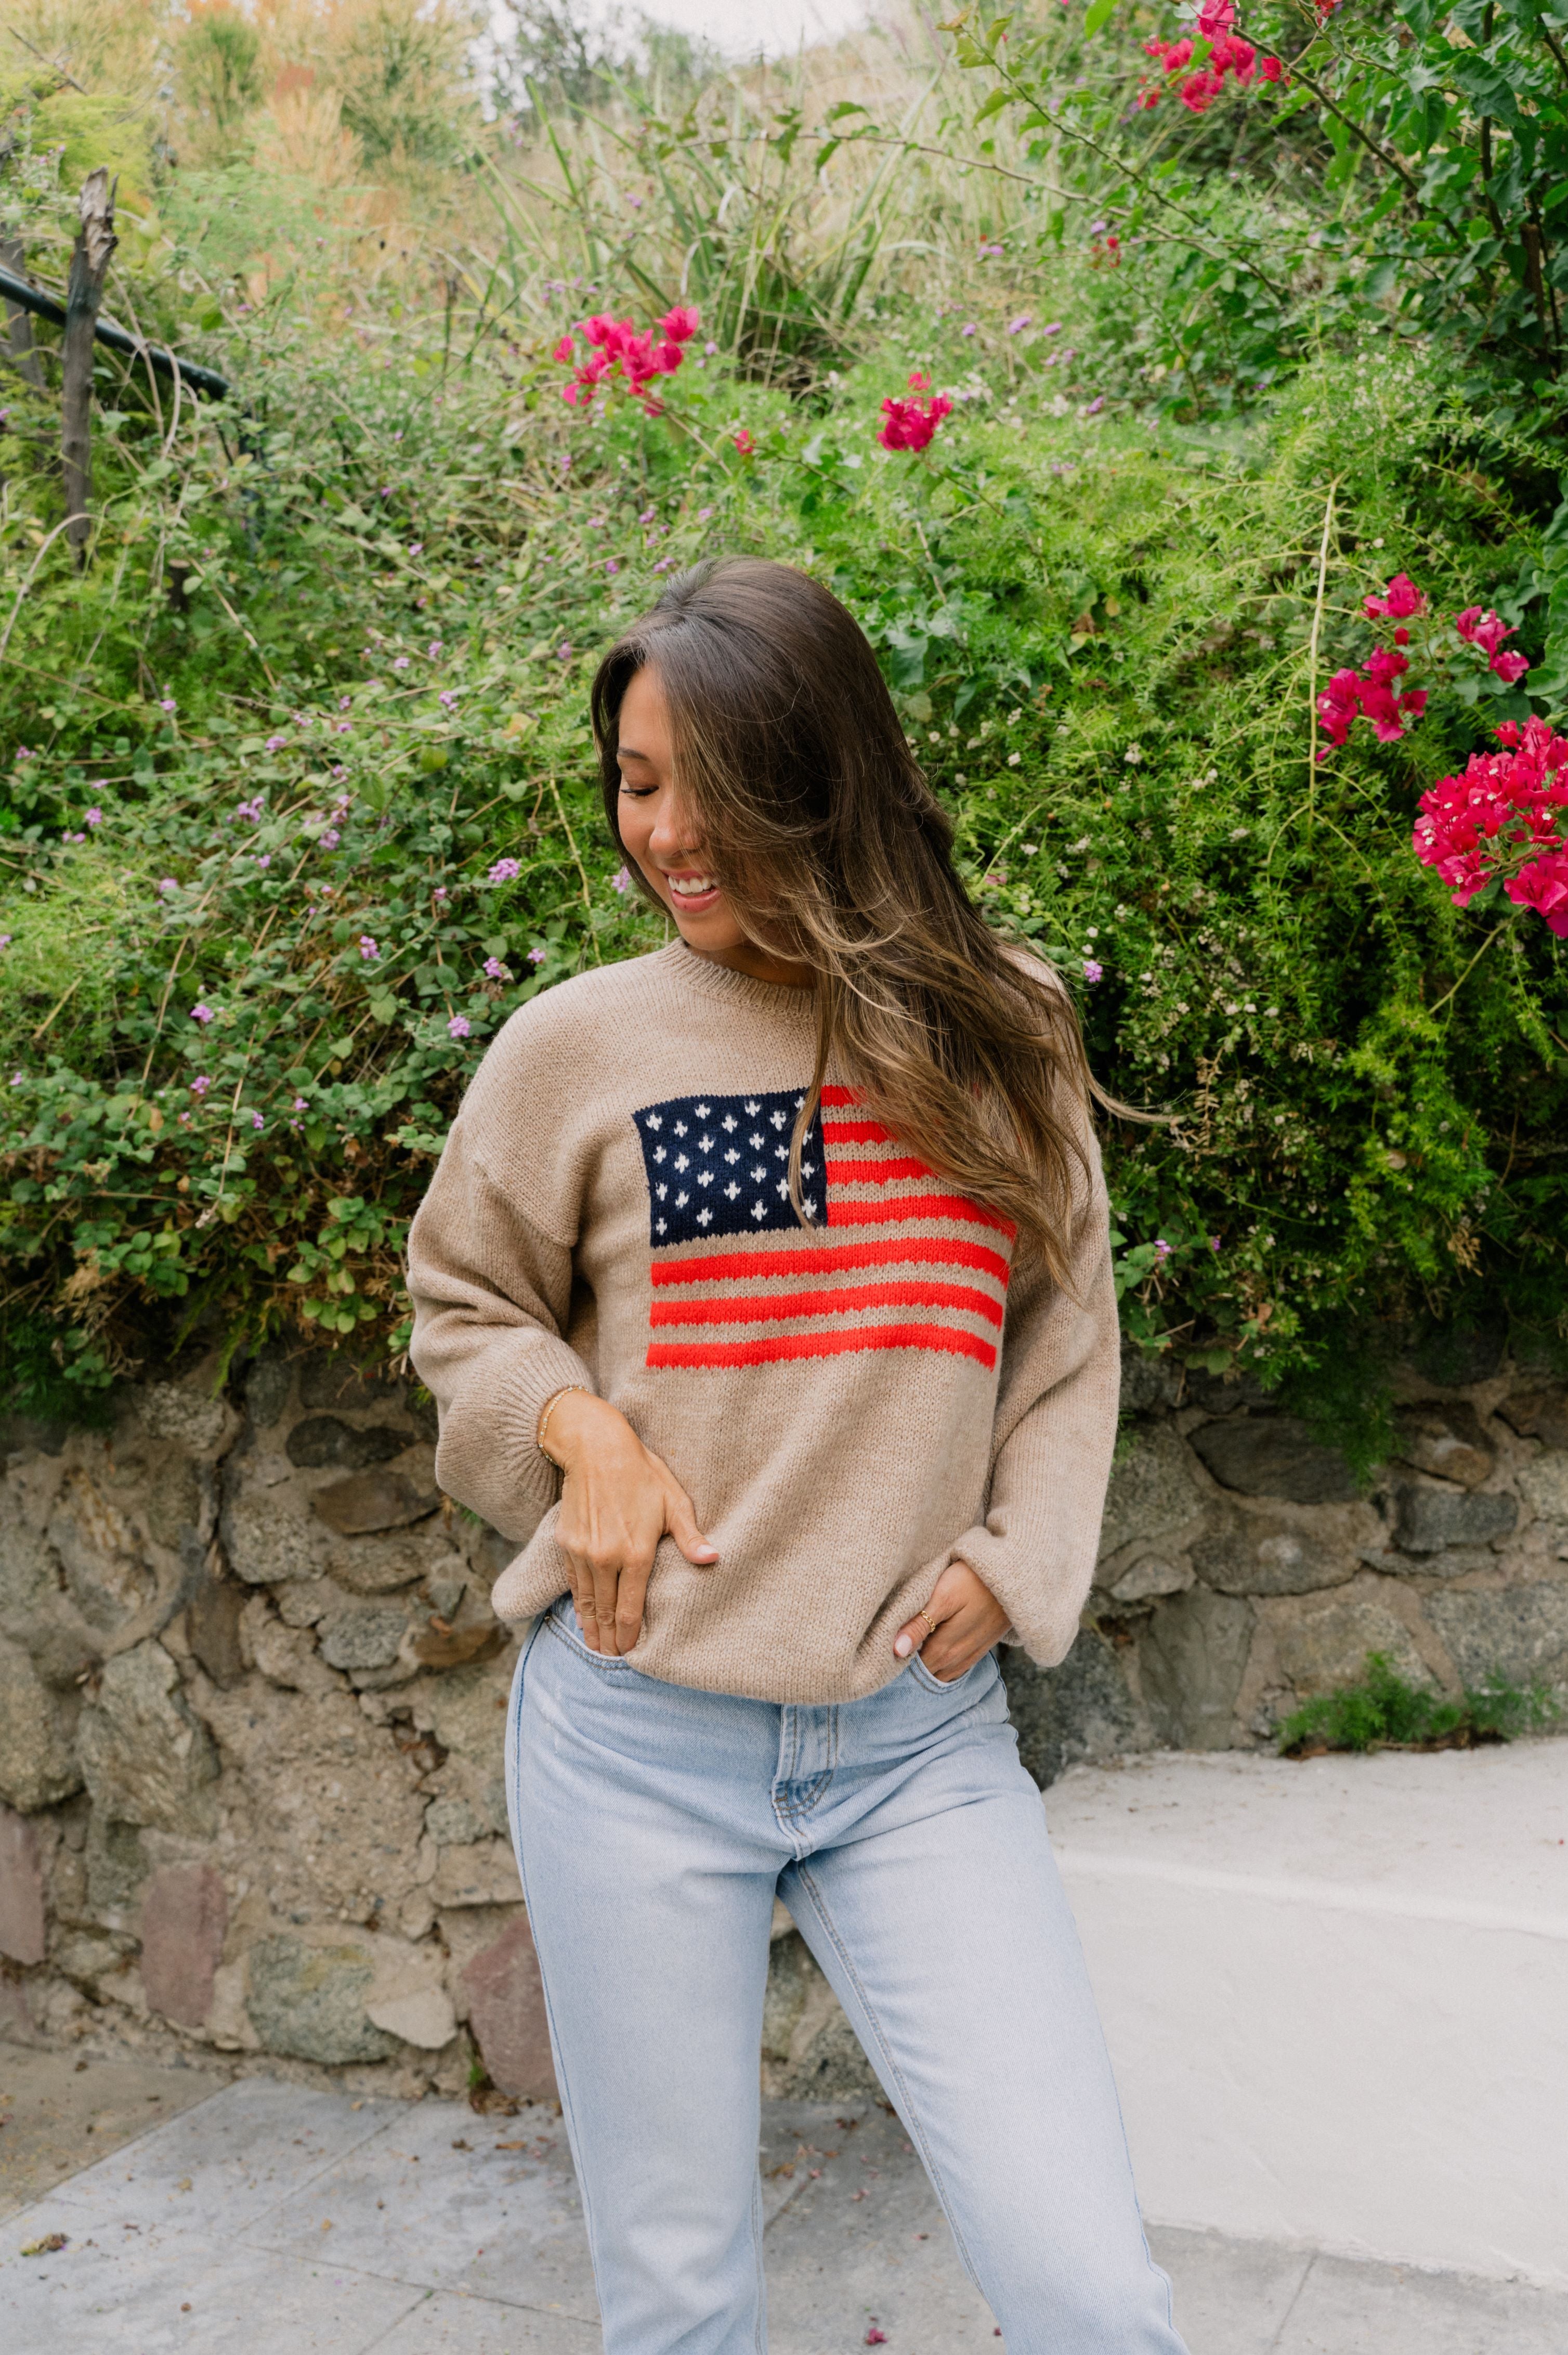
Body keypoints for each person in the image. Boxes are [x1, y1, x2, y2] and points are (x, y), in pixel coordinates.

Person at [407, 556, 1188, 2354]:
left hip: (915, 1750)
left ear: (820, 772)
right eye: (633, 777)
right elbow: (460, 1301)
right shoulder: (575, 1048)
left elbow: (1063, 1340)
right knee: (680, 2307)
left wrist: (1017, 1559)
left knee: (1089, 2288)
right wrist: (572, 1421)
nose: (664, 831)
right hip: (635, 1735)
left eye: (704, 783)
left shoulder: (1000, 1024)